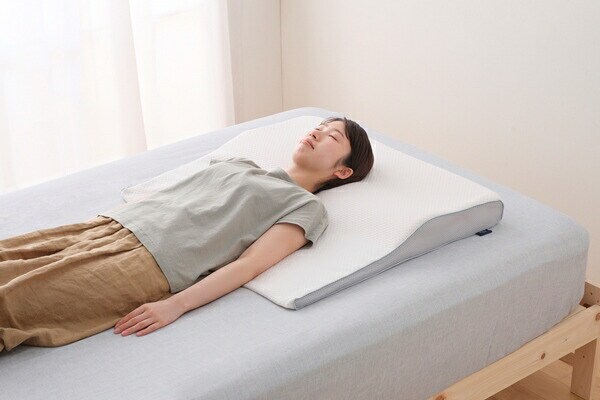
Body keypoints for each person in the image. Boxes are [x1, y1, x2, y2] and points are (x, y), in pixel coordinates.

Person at [0, 116, 374, 352]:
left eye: (332, 137)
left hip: (148, 264)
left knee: (14, 305)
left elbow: (249, 265)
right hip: (109, 225)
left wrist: (176, 305)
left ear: (342, 172)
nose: (317, 132)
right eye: (319, 127)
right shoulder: (237, 163)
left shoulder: (305, 207)